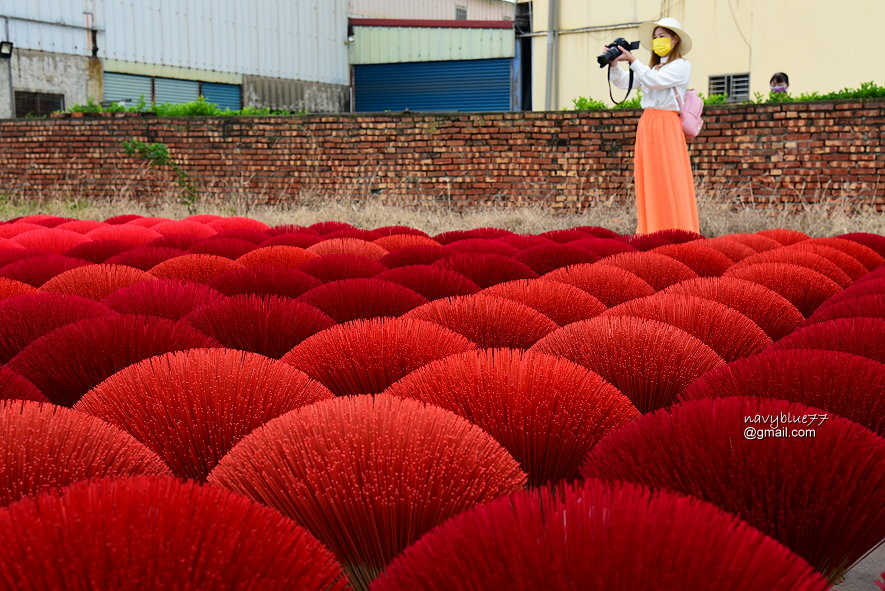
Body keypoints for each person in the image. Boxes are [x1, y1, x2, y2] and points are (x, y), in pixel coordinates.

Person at [606, 17, 699, 235]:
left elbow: (654, 82)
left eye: (662, 37)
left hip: (667, 124)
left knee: (670, 178)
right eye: (655, 37)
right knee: (650, 178)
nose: (657, 41)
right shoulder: (653, 67)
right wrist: (614, 63)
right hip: (648, 123)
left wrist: (633, 60)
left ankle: (677, 229)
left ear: (675, 39)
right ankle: (651, 230)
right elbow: (623, 83)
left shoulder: (681, 66)